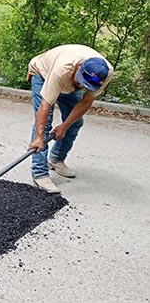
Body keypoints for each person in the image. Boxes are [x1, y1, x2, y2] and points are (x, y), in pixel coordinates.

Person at [27, 44, 114, 193]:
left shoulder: (105, 74)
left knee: (75, 123)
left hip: (69, 84)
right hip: (43, 74)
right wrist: (39, 137)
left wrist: (65, 125)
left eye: (86, 85)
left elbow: (86, 101)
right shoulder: (62, 70)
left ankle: (56, 159)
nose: (81, 85)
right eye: (80, 81)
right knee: (44, 125)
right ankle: (39, 173)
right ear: (79, 67)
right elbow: (45, 106)